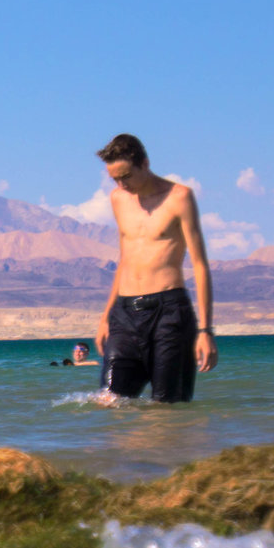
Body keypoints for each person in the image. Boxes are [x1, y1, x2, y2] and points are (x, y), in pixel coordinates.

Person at [92, 133, 216, 402]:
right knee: (109, 400)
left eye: (126, 176)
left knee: (167, 405)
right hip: (124, 314)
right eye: (115, 179)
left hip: (168, 312)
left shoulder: (179, 197)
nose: (122, 184)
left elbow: (199, 265)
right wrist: (105, 317)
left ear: (145, 164)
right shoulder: (118, 199)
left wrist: (206, 331)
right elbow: (125, 260)